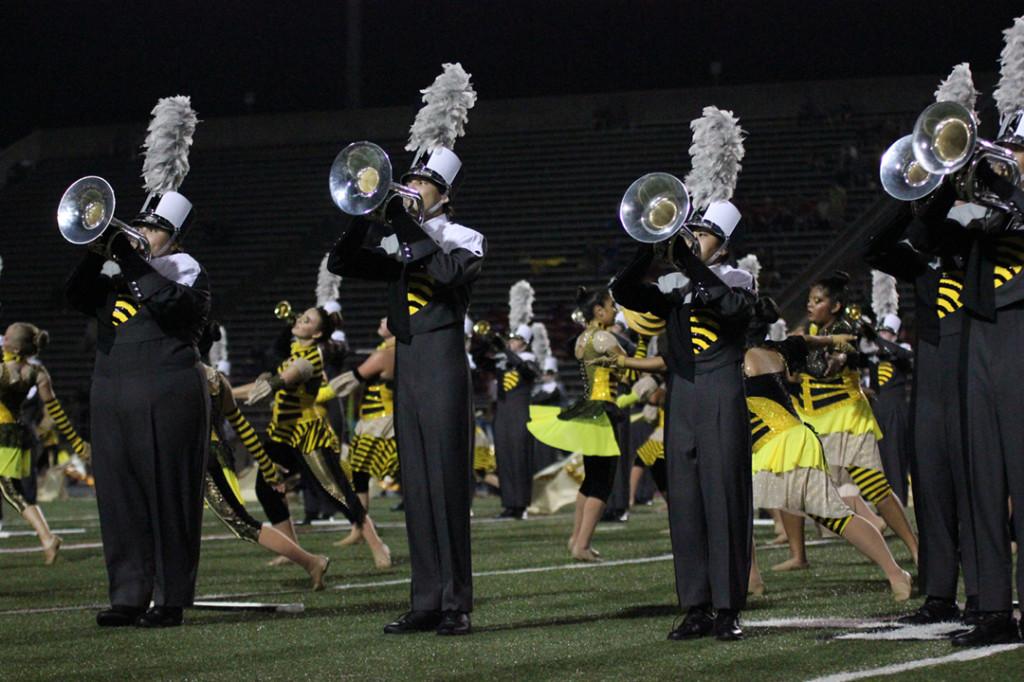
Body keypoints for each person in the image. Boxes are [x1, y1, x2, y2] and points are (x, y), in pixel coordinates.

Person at [328, 62, 482, 637]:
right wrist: (363, 215)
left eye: (421, 185)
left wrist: (407, 227)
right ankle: (424, 599)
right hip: (408, 365)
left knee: (445, 480)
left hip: (442, 361)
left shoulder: (464, 239)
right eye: (410, 182)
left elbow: (445, 275)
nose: (410, 190)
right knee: (416, 483)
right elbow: (343, 263)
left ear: (444, 193)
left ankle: (456, 602)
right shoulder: (401, 239)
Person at [611, 106, 754, 641]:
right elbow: (625, 292)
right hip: (684, 398)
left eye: (701, 236)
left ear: (723, 241)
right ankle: (694, 604)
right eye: (690, 235)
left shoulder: (738, 277)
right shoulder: (672, 284)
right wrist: (650, 249)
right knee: (688, 503)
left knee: (725, 499)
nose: (692, 242)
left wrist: (690, 262)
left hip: (721, 393)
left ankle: (728, 608)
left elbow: (731, 308)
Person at [235, 306, 391, 570]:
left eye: (306, 321)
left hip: (307, 434)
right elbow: (269, 380)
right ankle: (291, 549)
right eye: (301, 317)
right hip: (282, 432)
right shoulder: (293, 352)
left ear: (317, 333)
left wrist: (266, 385)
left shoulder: (310, 358)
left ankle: (377, 543)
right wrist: (226, 390)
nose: (299, 321)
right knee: (266, 488)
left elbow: (288, 377)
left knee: (336, 491)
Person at [797, 272, 919, 566]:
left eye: (819, 300)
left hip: (847, 420)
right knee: (807, 485)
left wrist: (817, 353)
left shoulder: (845, 330)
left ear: (835, 306)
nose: (811, 305)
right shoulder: (811, 328)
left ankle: (916, 550)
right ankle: (874, 536)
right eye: (810, 300)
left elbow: (832, 364)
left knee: (875, 487)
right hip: (817, 421)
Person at [528, 287, 628, 561]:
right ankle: (582, 544)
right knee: (603, 481)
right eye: (611, 306)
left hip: (589, 407)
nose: (616, 310)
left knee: (592, 478)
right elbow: (626, 366)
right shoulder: (604, 337)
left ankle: (577, 540)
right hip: (603, 409)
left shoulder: (583, 338)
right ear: (598, 311)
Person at [327, 316, 398, 547]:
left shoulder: (385, 354)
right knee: (359, 473)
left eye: (386, 320)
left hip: (382, 424)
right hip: (374, 421)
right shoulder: (398, 350)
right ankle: (359, 527)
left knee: (363, 473)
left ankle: (360, 527)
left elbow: (353, 380)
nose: (381, 321)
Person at [0, 323, 67, 564]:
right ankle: (47, 537)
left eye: (6, 337)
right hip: (15, 432)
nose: (3, 339)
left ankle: (47, 537)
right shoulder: (32, 370)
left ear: (13, 344)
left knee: (11, 490)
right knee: (13, 490)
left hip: (5, 433)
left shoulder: (14, 370)